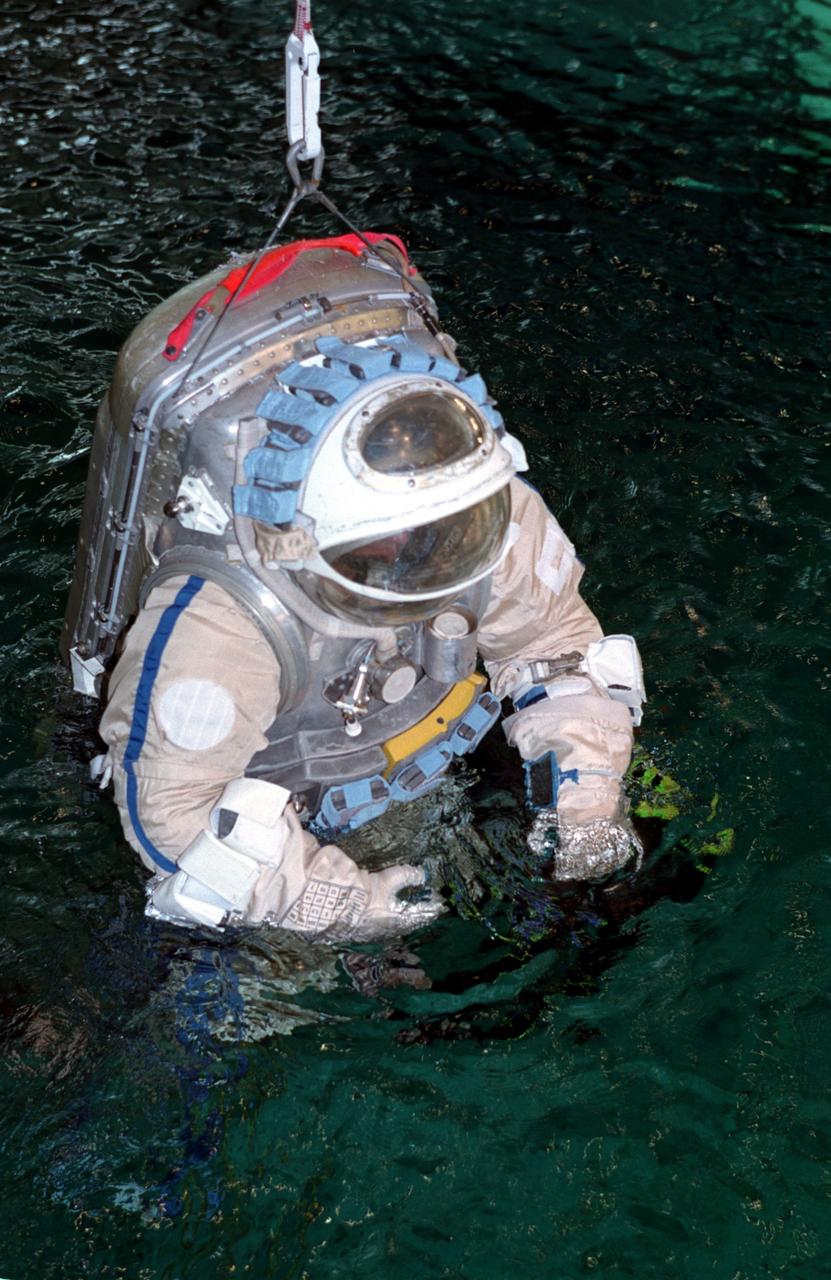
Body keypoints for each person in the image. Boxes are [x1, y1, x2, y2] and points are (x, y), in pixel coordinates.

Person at [62, 232, 645, 938]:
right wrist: (335, 904)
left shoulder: (481, 506)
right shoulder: (224, 619)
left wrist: (583, 798)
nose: (418, 556)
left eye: (436, 534)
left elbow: (553, 641)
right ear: (304, 533)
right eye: (381, 547)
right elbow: (173, 810)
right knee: (256, 1005)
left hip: (443, 746)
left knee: (627, 891)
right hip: (282, 811)